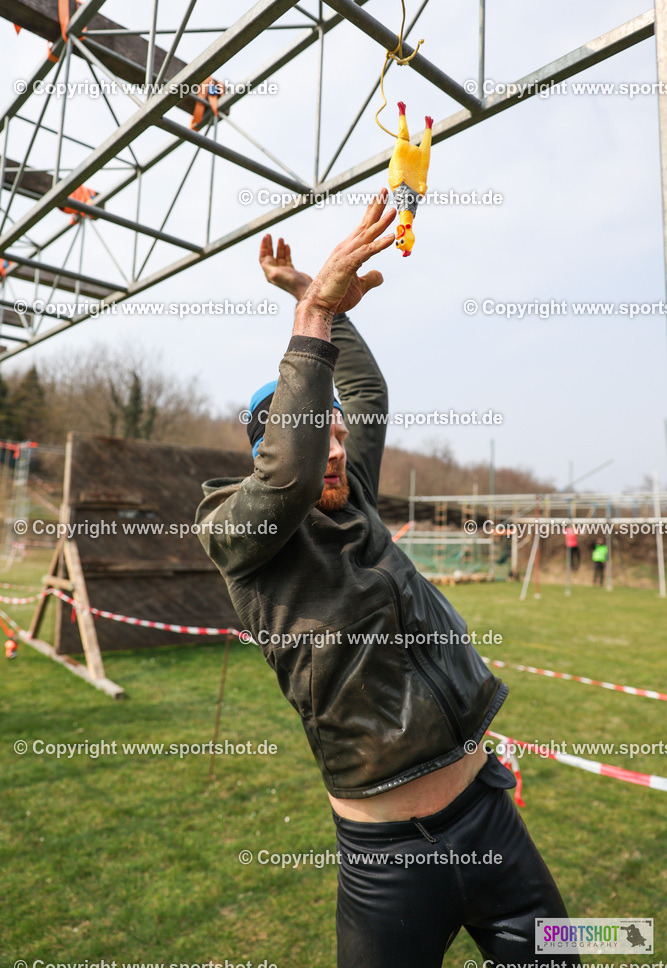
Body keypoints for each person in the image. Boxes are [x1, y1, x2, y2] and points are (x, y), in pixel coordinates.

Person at [195, 193, 580, 968]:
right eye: (316, 434)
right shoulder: (238, 530)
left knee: (563, 956)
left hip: (489, 818)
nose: (334, 447)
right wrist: (309, 323)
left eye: (338, 435)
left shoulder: (355, 497)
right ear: (267, 447)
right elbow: (287, 475)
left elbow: (363, 396)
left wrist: (316, 299)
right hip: (388, 861)